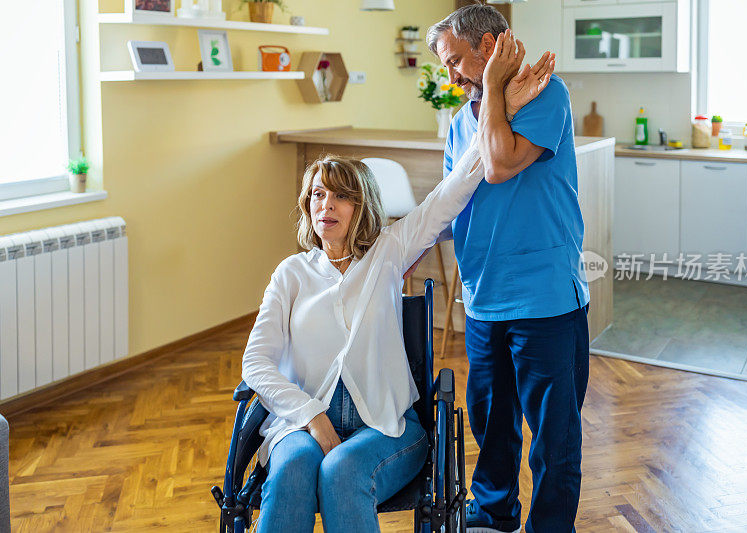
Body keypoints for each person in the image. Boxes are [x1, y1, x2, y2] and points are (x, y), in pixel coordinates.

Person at [240, 36, 555, 533]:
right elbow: (255, 361)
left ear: (361, 206)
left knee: (342, 470)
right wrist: (312, 418)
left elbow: (452, 193)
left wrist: (499, 105)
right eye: (317, 195)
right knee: (296, 466)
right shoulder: (291, 274)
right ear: (306, 206)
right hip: (302, 422)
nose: (327, 206)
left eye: (340, 197)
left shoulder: (386, 254)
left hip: (385, 427)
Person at [424, 5, 591, 533]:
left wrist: (496, 85)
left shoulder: (548, 95)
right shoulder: (459, 124)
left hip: (545, 302)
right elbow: (456, 204)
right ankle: (493, 517)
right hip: (482, 299)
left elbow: (496, 165)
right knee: (491, 426)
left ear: (491, 46)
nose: (451, 78)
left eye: (457, 62)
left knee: (554, 437)